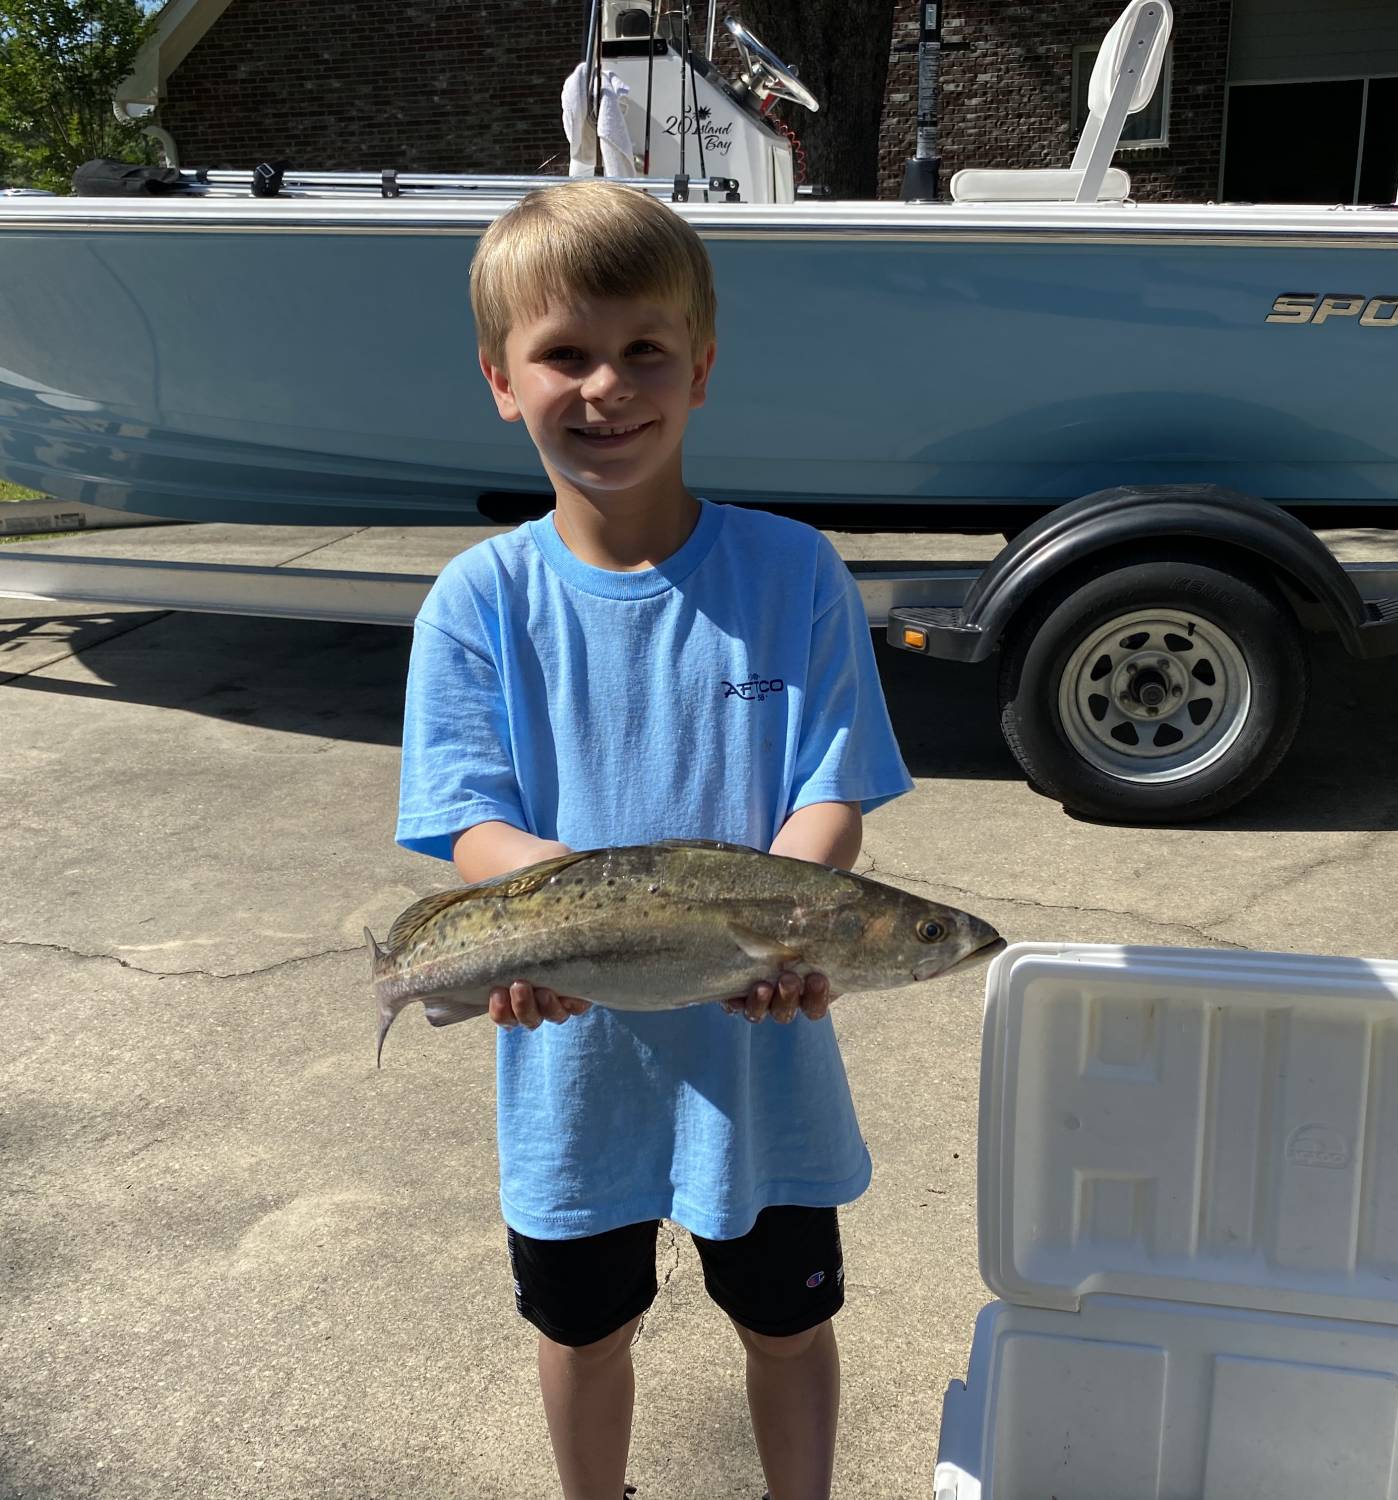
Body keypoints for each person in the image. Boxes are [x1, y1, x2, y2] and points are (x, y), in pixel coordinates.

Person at [395, 180, 913, 1500]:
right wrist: (550, 930)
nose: (606, 389)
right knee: (584, 1325)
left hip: (765, 1056)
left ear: (702, 369)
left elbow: (831, 793)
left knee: (788, 1321)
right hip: (572, 1061)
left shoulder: (795, 573)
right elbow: (469, 823)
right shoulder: (479, 599)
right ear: (499, 380)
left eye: (644, 353)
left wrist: (796, 926)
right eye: (564, 353)